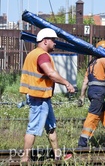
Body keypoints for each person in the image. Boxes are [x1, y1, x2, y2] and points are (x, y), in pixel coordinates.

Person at [19, 28, 75, 162]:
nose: (55, 43)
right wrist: (67, 83)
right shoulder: (42, 55)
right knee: (33, 128)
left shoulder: (33, 54)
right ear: (45, 41)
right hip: (39, 97)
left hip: (42, 97)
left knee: (51, 126)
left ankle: (58, 156)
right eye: (53, 40)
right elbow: (50, 73)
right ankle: (25, 158)